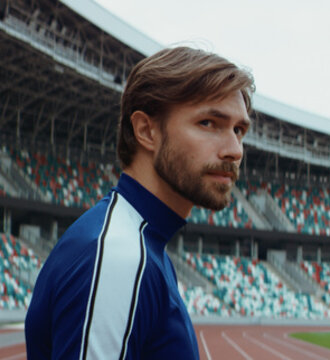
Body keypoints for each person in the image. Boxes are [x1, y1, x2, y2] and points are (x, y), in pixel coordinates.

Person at [25, 46, 255, 360]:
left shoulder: (141, 245)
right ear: (146, 130)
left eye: (239, 130)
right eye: (208, 123)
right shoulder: (119, 255)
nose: (235, 150)